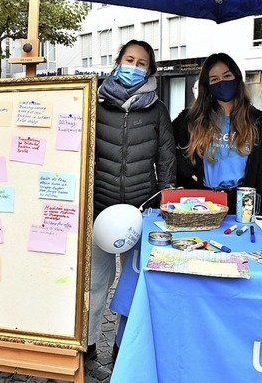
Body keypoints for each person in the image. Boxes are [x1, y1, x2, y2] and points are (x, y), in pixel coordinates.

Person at [88, 39, 176, 362]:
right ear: (117, 61)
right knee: (96, 284)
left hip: (142, 212)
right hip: (99, 209)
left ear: (150, 70)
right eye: (129, 59)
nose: (134, 67)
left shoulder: (157, 110)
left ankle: (125, 347)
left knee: (135, 287)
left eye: (141, 63)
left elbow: (167, 160)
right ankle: (88, 343)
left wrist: (164, 201)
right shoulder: (95, 102)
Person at [173, 52, 262, 215]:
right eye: (214, 79)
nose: (222, 82)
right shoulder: (190, 120)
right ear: (207, 86)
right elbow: (170, 151)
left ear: (237, 77)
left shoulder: (258, 122)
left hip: (243, 201)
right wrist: (186, 172)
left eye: (227, 75)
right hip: (203, 200)